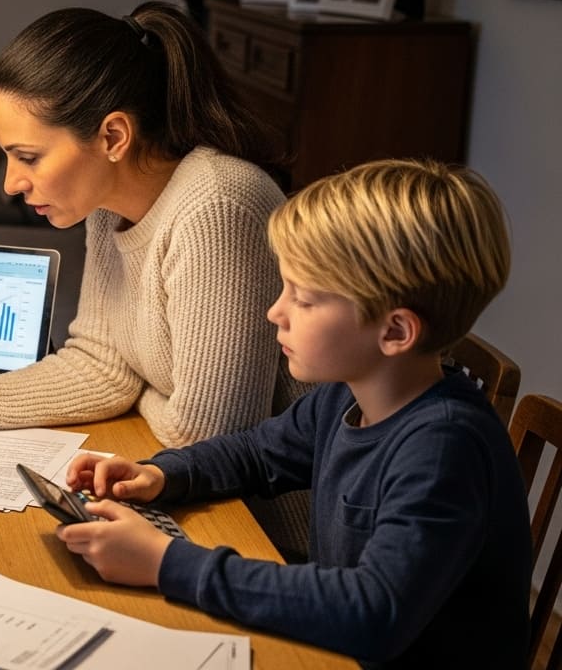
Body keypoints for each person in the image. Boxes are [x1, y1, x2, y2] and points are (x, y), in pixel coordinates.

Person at [0, 2, 309, 551]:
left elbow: (207, 437)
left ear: (113, 137)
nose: (11, 183)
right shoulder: (109, 204)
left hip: (269, 536)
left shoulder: (216, 206)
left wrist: (139, 390)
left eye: (29, 157)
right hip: (193, 507)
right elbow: (102, 365)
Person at [55, 159, 529, 667]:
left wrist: (165, 562)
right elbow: (256, 453)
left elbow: (371, 613)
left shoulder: (442, 450)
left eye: (302, 299)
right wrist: (159, 474)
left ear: (394, 333)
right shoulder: (348, 395)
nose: (274, 312)